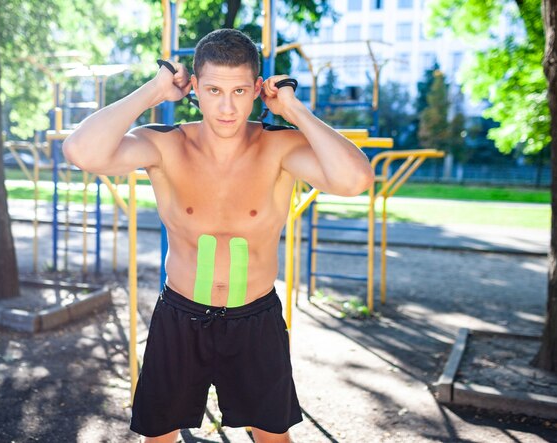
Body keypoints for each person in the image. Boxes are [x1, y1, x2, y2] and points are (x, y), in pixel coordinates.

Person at [63, 28, 374, 443]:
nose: (227, 106)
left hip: (255, 318)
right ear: (193, 87)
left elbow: (355, 180)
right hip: (180, 316)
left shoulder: (279, 147)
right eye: (213, 90)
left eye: (240, 91)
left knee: (272, 437)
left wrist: (294, 110)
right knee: (158, 436)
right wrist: (152, 92)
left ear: (256, 90)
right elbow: (81, 151)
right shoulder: (167, 145)